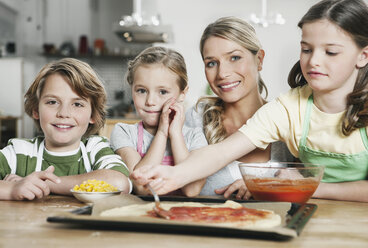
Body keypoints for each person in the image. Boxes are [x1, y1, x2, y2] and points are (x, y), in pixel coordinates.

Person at [132, 0, 368, 202]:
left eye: (331, 52)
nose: (314, 61)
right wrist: (175, 175)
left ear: (363, 55)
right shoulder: (288, 108)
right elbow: (221, 152)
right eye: (306, 49)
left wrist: (305, 186)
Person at [185, 17, 294, 199]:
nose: (222, 73)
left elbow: (312, 181)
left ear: (259, 59)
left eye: (234, 58)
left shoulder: (287, 120)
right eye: (211, 63)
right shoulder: (197, 118)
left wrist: (267, 186)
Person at [0, 58, 131, 200]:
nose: (64, 113)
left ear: (92, 115)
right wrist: (12, 189)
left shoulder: (95, 149)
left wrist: (46, 184)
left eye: (77, 104)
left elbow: (119, 183)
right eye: (52, 102)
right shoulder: (18, 152)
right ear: (35, 110)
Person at [110, 46, 208, 196]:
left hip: (183, 215)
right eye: (141, 91)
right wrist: (162, 133)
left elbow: (191, 189)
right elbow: (141, 187)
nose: (150, 101)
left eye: (162, 92)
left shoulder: (195, 136)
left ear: (182, 94)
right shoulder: (124, 132)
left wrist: (175, 134)